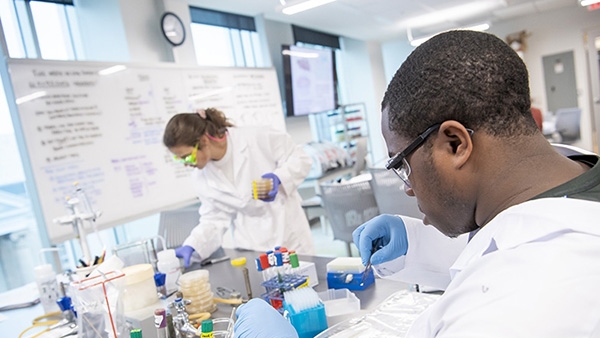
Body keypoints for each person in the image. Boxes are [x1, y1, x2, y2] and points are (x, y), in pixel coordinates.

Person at [233, 30, 600, 337]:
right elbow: (507, 244)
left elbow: (509, 275)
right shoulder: (571, 181)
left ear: (455, 144)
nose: (407, 187)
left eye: (403, 164)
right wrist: (417, 244)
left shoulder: (519, 304)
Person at [163, 108, 315, 267]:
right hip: (251, 245)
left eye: (187, 156)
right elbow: (214, 218)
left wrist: (279, 178)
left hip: (288, 236)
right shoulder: (201, 177)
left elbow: (300, 158)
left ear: (204, 141)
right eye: (179, 159)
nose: (186, 163)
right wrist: (194, 244)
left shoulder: (255, 138)